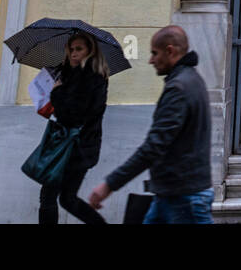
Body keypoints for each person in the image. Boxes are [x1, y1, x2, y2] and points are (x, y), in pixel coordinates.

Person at [89, 26, 213, 224]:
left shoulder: (179, 88)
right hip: (174, 193)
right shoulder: (190, 80)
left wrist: (109, 185)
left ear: (170, 51)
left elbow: (154, 146)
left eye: (155, 53)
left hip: (184, 197)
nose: (151, 60)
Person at [38, 32, 109, 225]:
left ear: (90, 51)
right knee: (67, 199)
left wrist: (57, 93)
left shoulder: (92, 78)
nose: (74, 53)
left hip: (75, 147)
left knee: (49, 196)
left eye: (79, 49)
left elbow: (75, 114)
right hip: (71, 146)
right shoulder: (68, 74)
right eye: (71, 49)